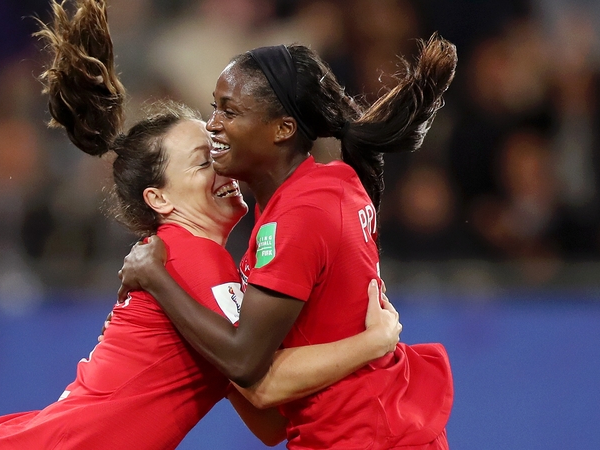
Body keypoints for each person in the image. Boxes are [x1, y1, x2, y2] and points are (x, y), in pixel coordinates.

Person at [0, 1, 402, 448]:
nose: (223, 168)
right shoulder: (190, 258)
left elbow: (270, 421)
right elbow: (260, 382)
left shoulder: (179, 271)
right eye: (204, 163)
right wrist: (373, 343)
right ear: (158, 198)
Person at [118, 34, 458, 449]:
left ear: (282, 129)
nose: (213, 125)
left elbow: (245, 363)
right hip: (370, 428)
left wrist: (155, 276)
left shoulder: (301, 214)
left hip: (367, 435)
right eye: (214, 107)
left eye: (230, 111)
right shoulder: (329, 185)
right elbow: (268, 411)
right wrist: (374, 342)